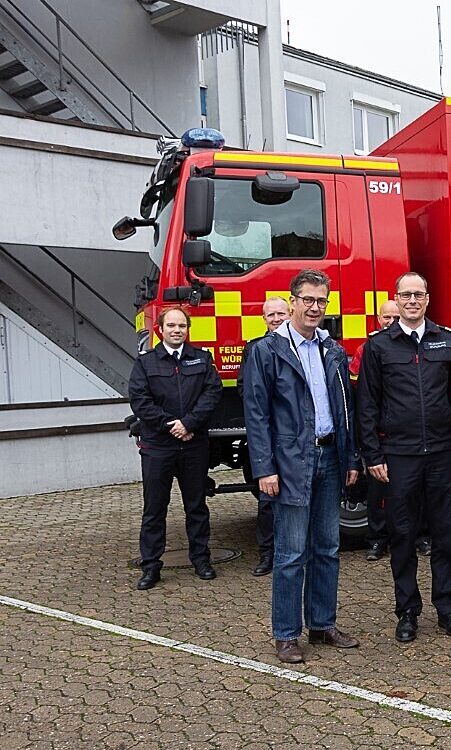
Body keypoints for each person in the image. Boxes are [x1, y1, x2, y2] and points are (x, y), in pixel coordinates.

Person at [242, 269, 361, 665]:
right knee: (291, 553)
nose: (314, 307)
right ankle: (287, 634)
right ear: (292, 301)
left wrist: (351, 458)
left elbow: (347, 409)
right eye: (307, 300)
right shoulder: (266, 350)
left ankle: (323, 624)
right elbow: (256, 415)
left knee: (327, 547)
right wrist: (264, 468)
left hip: (330, 456)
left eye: (321, 301)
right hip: (291, 461)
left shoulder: (332, 349)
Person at [357, 272, 451, 643]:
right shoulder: (379, 347)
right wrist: (373, 454)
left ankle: (448, 609)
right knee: (403, 535)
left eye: (418, 294)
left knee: (444, 534)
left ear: (427, 299)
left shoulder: (446, 341)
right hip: (399, 456)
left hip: (441, 454)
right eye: (405, 295)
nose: (412, 301)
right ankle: (407, 611)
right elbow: (367, 405)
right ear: (397, 299)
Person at [128, 307, 222, 591]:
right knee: (155, 508)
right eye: (171, 325)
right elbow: (140, 400)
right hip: (159, 445)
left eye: (182, 325)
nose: (177, 330)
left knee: (196, 506)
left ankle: (202, 560)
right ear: (160, 329)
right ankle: (151, 567)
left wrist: (189, 423)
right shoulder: (145, 363)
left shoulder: (201, 359)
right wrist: (171, 425)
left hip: (193, 444)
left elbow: (212, 393)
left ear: (188, 329)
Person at [238, 296, 290, 577]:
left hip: (294, 435)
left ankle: (293, 554)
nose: (277, 319)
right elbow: (245, 388)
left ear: (290, 313)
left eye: (281, 313)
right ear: (264, 319)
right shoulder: (254, 349)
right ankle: (267, 554)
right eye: (271, 315)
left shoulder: (299, 345)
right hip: (269, 434)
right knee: (267, 500)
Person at [349, 299, 403, 562]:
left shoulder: (410, 344)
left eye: (396, 317)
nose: (391, 322)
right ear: (378, 319)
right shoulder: (367, 348)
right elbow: (360, 390)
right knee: (377, 492)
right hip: (379, 432)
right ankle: (377, 541)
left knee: (413, 493)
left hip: (405, 434)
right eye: (387, 318)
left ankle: (420, 537)